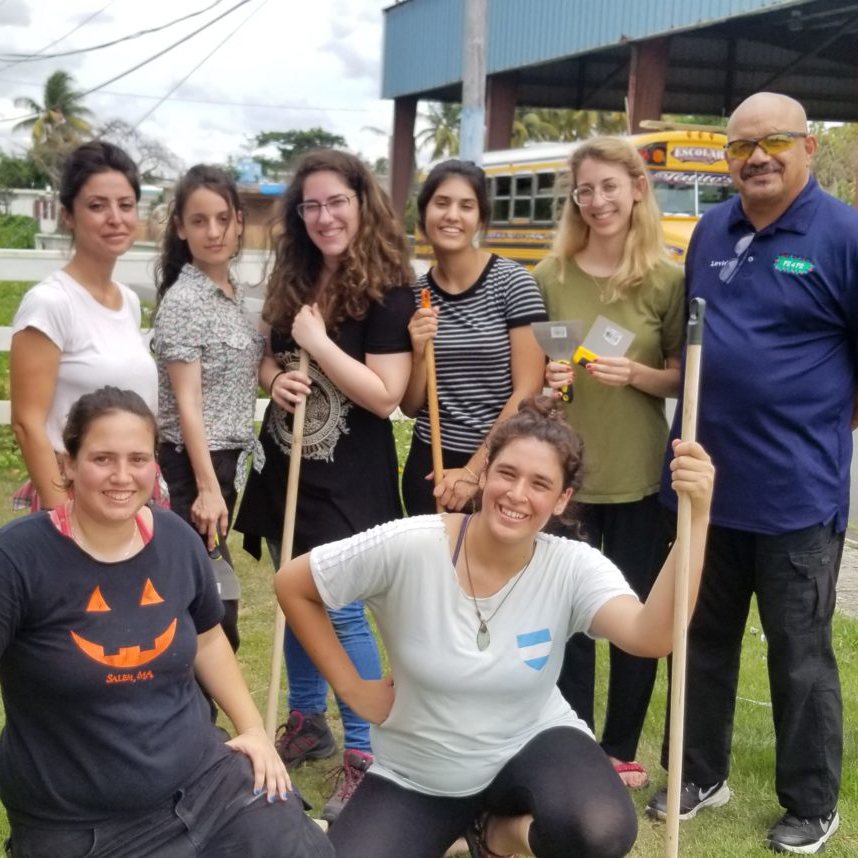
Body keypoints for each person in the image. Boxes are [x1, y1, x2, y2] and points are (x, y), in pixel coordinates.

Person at [276, 397, 713, 858]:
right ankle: (465, 827)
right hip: (421, 772)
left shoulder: (572, 566)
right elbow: (293, 585)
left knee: (599, 828)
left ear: (563, 499)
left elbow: (651, 635)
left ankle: (496, 836)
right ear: (484, 474)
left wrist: (697, 520)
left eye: (540, 483)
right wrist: (353, 689)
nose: (517, 494)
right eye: (507, 473)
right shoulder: (410, 546)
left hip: (532, 745)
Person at [644, 92, 858, 855]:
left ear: (807, 146)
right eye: (741, 147)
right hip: (703, 487)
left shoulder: (843, 235)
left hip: (796, 494)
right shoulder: (710, 229)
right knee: (698, 636)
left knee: (799, 654)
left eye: (773, 142)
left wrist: (816, 428)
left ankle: (811, 802)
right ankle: (698, 772)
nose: (756, 158)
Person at [0, 387, 332, 858]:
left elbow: (209, 639)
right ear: (67, 464)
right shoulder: (18, 559)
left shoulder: (175, 539)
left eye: (138, 458)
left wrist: (254, 728)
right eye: (102, 458)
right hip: (84, 826)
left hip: (205, 786)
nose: (121, 476)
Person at [234, 149, 414, 823]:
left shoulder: (389, 288)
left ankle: (365, 750)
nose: (323, 216)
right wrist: (273, 376)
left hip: (348, 477)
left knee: (337, 608)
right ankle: (308, 721)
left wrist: (320, 339)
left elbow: (386, 395)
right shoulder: (296, 273)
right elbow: (265, 355)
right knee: (291, 596)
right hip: (288, 468)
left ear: (362, 203)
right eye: (309, 205)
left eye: (335, 201)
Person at [534, 137, 685, 789]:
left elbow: (684, 377)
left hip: (637, 471)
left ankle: (618, 748)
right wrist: (546, 382)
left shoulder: (667, 278)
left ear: (637, 190)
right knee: (564, 613)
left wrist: (642, 375)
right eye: (584, 191)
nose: (597, 202)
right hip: (564, 475)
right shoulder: (549, 277)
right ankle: (568, 738)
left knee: (631, 617)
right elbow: (532, 380)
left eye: (608, 188)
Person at [10, 140, 159, 512]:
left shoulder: (126, 302)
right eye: (97, 206)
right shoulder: (50, 304)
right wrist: (63, 518)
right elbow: (28, 424)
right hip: (77, 493)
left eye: (126, 205)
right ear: (68, 216)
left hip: (129, 492)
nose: (115, 217)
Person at [151, 164, 264, 653]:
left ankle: (201, 719)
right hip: (192, 467)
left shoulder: (235, 295)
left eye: (222, 218)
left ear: (239, 221)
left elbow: (247, 367)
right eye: (199, 221)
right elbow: (187, 402)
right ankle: (199, 719)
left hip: (227, 464)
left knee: (212, 594)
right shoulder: (184, 300)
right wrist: (206, 488)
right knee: (208, 604)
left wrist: (278, 379)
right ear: (181, 227)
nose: (213, 232)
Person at [400, 159, 546, 514]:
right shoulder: (414, 294)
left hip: (499, 466)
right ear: (423, 216)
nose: (452, 215)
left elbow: (528, 389)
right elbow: (410, 406)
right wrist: (419, 351)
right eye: (441, 203)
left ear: (481, 219)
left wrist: (474, 471)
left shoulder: (514, 283)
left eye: (466, 206)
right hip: (429, 466)